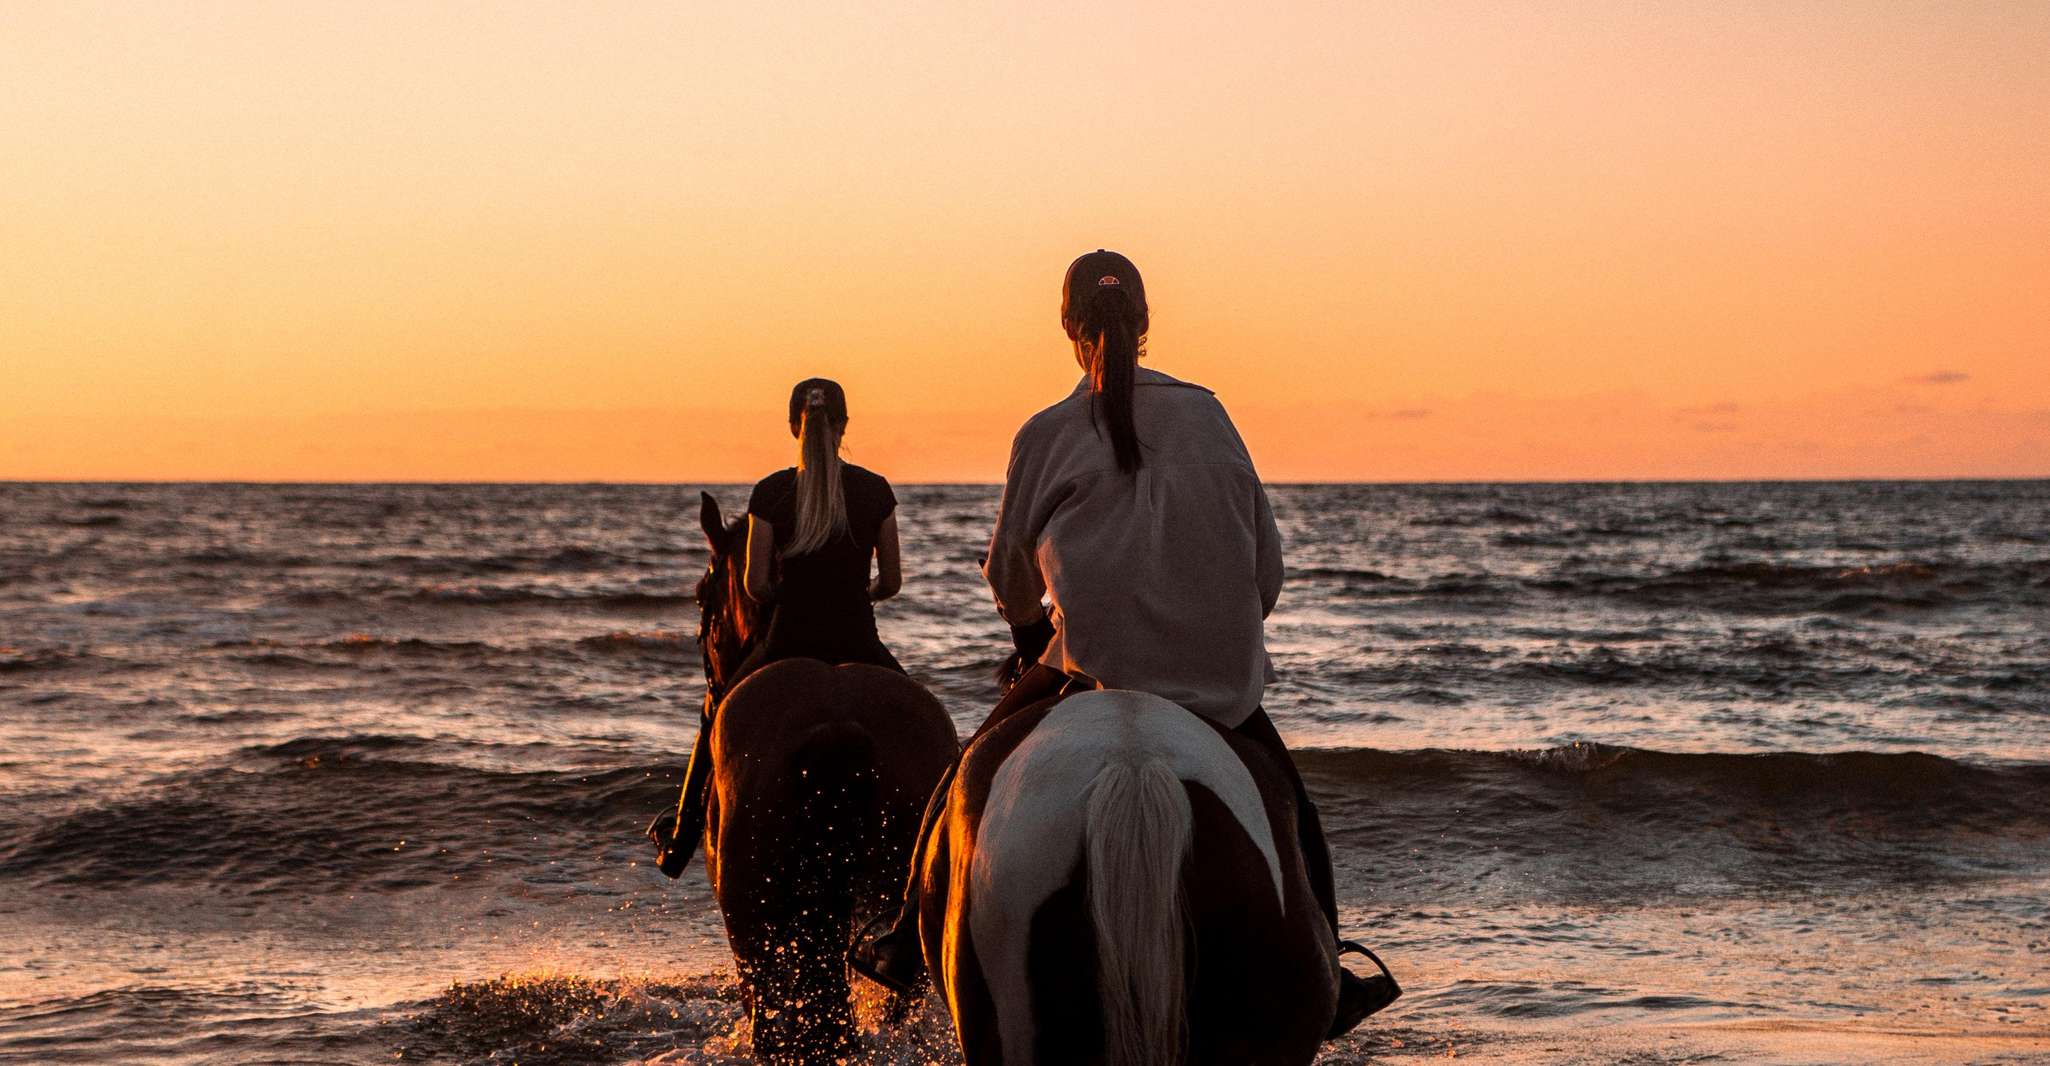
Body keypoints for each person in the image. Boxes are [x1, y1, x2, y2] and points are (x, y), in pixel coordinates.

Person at [848, 250, 1397, 1036]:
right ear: (1145, 326)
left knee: (965, 777)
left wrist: (1037, 631)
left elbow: (1007, 573)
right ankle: (1330, 970)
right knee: (1290, 806)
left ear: (1068, 329)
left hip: (1084, 673)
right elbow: (1265, 574)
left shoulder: (1047, 431)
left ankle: (905, 938)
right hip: (1215, 685)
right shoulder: (1211, 415)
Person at [647, 377, 905, 876]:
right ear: (844, 425)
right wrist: (863, 593)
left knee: (716, 716)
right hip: (860, 644)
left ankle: (680, 840)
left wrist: (790, 592)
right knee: (929, 725)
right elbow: (891, 581)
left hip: (787, 642)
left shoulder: (770, 492)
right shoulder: (876, 490)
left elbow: (757, 583)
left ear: (793, 427)